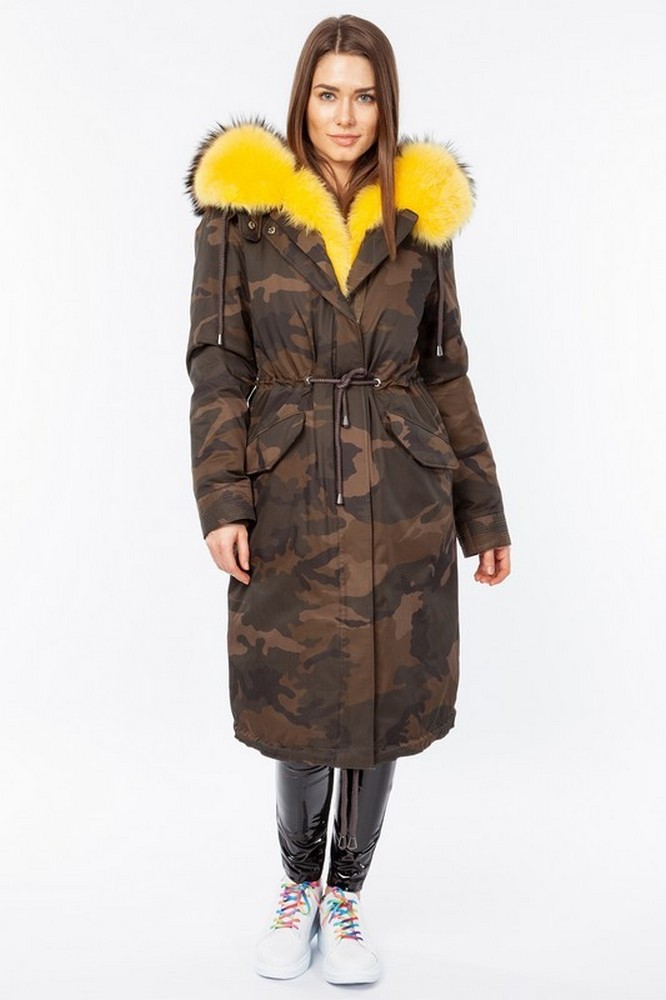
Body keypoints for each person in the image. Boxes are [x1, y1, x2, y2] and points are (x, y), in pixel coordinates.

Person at [184, 13, 511, 987]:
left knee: (381, 699)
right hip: (287, 494)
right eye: (328, 93)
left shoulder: (419, 217)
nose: (345, 114)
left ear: (386, 104)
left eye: (364, 96)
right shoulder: (242, 216)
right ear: (303, 98)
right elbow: (218, 366)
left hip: (403, 497)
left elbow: (445, 370)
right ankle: (298, 883)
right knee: (301, 704)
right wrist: (222, 500)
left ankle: (347, 895)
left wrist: (484, 512)